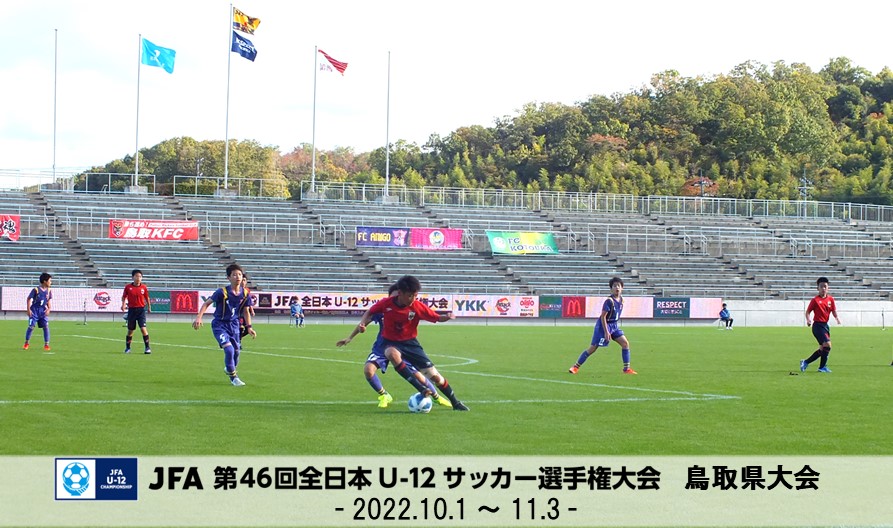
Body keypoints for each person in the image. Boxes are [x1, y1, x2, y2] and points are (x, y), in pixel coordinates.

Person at [338, 275, 469, 411]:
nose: (413, 299)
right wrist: (361, 325)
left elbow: (435, 317)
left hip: (411, 344)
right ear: (400, 293)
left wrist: (446, 317)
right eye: (410, 295)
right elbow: (370, 312)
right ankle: (421, 389)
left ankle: (455, 403)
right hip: (390, 343)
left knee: (435, 377)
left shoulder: (417, 306)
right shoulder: (386, 304)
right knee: (391, 353)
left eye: (415, 295)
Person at [193, 264, 257, 386]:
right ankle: (234, 378)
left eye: (239, 274)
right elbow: (206, 304)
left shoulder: (244, 293)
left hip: (234, 325)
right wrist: (199, 317)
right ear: (228, 278)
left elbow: (246, 311)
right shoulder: (222, 292)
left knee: (237, 351)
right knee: (229, 349)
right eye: (234, 275)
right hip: (220, 325)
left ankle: (230, 368)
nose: (237, 277)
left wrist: (249, 327)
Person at [568, 276, 637, 375]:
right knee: (593, 348)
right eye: (614, 286)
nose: (617, 288)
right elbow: (603, 317)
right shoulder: (609, 301)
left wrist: (613, 328)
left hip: (614, 325)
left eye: (618, 286)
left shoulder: (621, 300)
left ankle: (626, 369)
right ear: (611, 288)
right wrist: (606, 331)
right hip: (603, 326)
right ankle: (575, 367)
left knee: (625, 343)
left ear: (622, 288)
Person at [800, 276, 841, 373]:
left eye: (825, 286)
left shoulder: (831, 299)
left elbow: (833, 311)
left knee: (823, 349)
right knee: (828, 345)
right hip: (817, 326)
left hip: (825, 326)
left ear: (828, 288)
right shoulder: (815, 300)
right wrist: (808, 320)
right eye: (821, 286)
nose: (823, 288)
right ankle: (822, 367)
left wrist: (837, 318)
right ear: (817, 288)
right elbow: (808, 312)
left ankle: (806, 362)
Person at [121, 269, 152, 354]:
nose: (138, 278)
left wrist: (149, 307)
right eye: (136, 276)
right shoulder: (128, 287)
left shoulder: (144, 287)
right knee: (130, 330)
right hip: (132, 310)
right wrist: (123, 304)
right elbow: (124, 297)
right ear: (132, 277)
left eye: (140, 276)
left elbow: (147, 298)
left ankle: (147, 348)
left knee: (143, 328)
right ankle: (128, 348)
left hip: (141, 310)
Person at [23, 272, 52, 351]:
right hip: (34, 311)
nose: (51, 282)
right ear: (45, 281)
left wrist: (49, 309)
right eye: (50, 280)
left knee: (46, 326)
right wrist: (28, 310)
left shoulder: (49, 290)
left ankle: (46, 344)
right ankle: (26, 343)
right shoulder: (36, 290)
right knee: (31, 327)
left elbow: (49, 300)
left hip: (43, 311)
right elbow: (29, 299)